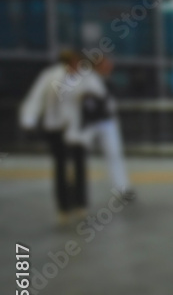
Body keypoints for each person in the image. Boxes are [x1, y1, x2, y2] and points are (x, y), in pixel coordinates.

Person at [18, 50, 87, 224]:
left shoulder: (82, 77)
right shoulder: (50, 76)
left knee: (78, 165)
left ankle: (80, 203)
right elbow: (36, 98)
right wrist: (29, 120)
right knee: (61, 167)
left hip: (76, 128)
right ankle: (64, 207)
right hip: (57, 128)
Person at [79, 57, 136, 201]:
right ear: (98, 65)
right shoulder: (87, 79)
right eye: (106, 64)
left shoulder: (106, 79)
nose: (110, 66)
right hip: (89, 123)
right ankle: (77, 191)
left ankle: (122, 188)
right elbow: (87, 102)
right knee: (79, 154)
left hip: (106, 121)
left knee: (114, 154)